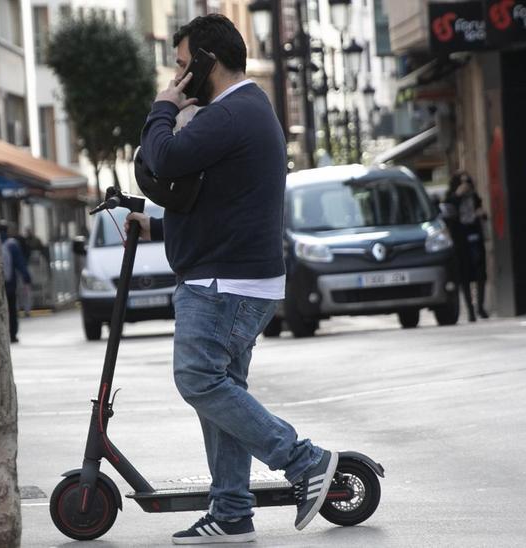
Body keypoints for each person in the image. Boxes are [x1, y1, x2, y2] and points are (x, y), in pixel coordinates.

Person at [125, 14, 337, 544]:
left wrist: (163, 107)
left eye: (180, 65)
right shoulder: (244, 111)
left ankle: (304, 461)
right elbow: (217, 202)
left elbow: (164, 156)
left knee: (199, 380)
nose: (175, 78)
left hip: (225, 284)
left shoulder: (232, 111)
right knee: (222, 391)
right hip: (234, 279)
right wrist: (155, 225)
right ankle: (232, 512)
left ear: (205, 62)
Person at [447, 172, 489, 321]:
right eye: (462, 182)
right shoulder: (452, 198)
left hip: (475, 238)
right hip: (461, 241)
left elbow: (482, 213)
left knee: (480, 274)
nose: (465, 186)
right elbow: (449, 216)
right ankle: (470, 310)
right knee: (464, 276)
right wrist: (458, 196)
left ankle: (480, 307)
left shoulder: (475, 197)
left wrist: (481, 215)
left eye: (467, 182)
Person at [0, 221, 31, 343]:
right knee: (12, 310)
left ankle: (2, 334)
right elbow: (20, 263)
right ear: (7, 230)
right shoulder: (11, 245)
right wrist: (26, 278)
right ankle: (12, 334)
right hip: (10, 284)